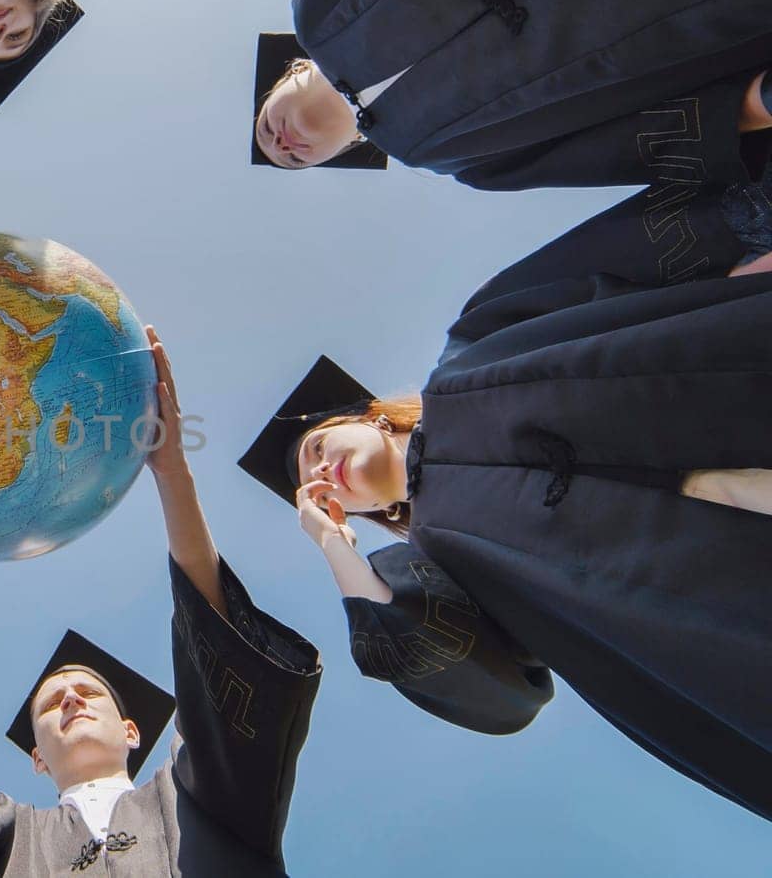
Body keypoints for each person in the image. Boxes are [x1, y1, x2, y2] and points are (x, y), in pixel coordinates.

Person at [236, 181, 772, 820]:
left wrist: (742, 268)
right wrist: (333, 547)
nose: (321, 466)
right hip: (731, 587)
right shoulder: (441, 563)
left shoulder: (476, 348)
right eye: (311, 478)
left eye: (318, 444)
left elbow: (616, 271)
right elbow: (496, 691)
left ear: (368, 416)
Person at [0, 327, 324, 875]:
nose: (69, 701)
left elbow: (219, 659)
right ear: (37, 757)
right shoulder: (5, 845)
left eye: (86, 691)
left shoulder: (202, 800)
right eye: (50, 703)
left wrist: (172, 471)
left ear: (132, 732)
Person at [254, 0, 772, 190]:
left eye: (267, 128)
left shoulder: (318, 8)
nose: (282, 144)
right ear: (341, 151)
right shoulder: (454, 158)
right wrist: (753, 103)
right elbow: (618, 145)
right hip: (701, 9)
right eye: (293, 159)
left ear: (286, 76)